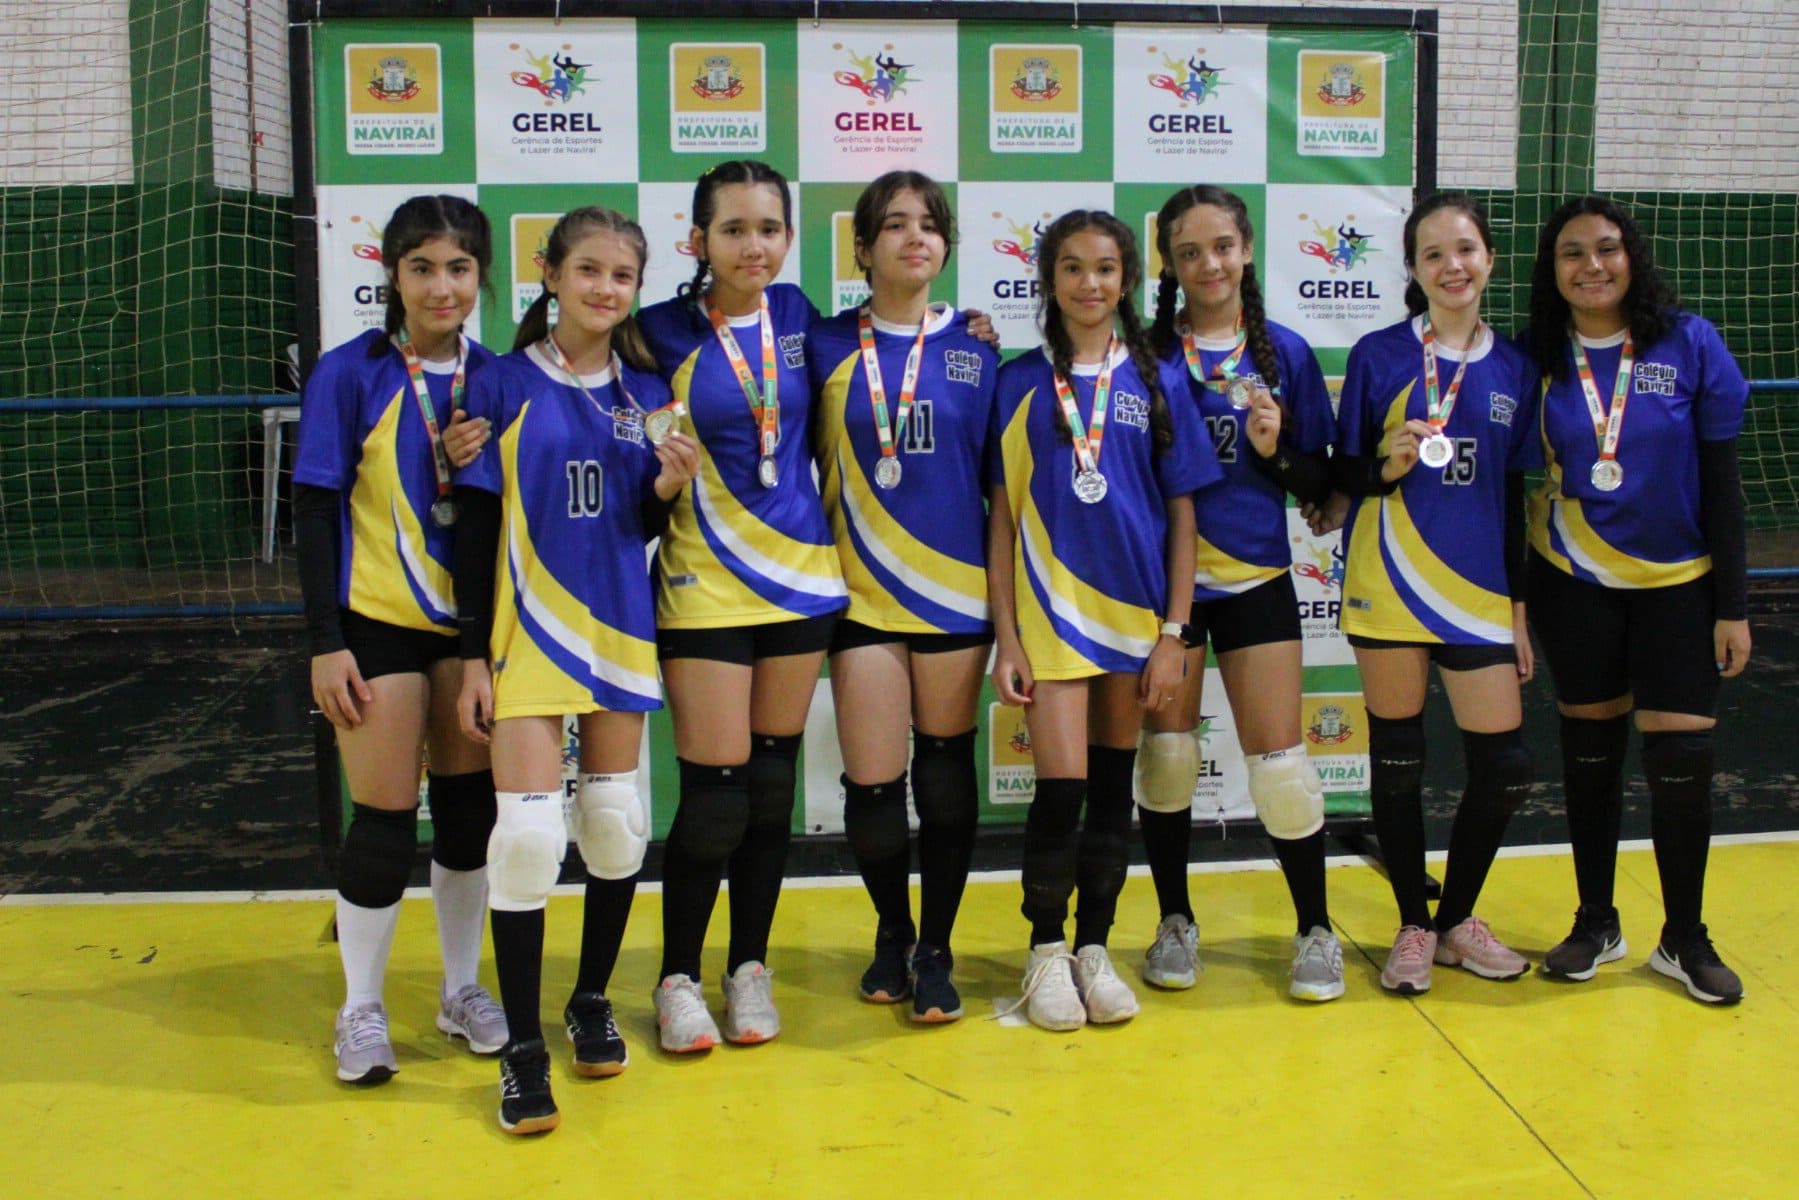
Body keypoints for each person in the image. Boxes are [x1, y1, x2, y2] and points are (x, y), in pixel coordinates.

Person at [452, 207, 700, 1132]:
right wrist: (471, 656)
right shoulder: (500, 380)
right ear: (550, 274)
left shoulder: (648, 394)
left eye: (621, 275)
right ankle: (521, 1052)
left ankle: (589, 1001)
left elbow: (637, 522)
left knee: (613, 829)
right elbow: (475, 527)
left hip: (617, 629)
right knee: (524, 839)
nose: (603, 287)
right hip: (524, 633)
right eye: (587, 269)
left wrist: (665, 487)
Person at [988, 209, 1219, 1031]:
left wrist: (1173, 633)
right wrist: (1006, 638)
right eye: (1073, 268)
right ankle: (1045, 949)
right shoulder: (1017, 382)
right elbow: (1000, 520)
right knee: (1061, 792)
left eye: (1106, 268)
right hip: (1050, 618)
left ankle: (1094, 947)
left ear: (1127, 282)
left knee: (1114, 791)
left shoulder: (1158, 380)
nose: (1090, 283)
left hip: (1135, 621)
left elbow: (1183, 517)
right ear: (1049, 280)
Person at [635, 160, 848, 1052]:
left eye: (768, 228)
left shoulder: (798, 314)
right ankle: (677, 977)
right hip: (703, 585)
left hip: (801, 581)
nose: (751, 245)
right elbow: (570, 361)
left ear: (788, 237)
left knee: (768, 792)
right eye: (732, 229)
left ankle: (748, 966)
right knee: (715, 796)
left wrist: (976, 330)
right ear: (697, 240)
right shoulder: (655, 330)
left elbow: (886, 346)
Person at [294, 195, 506, 1085]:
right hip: (374, 627)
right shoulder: (349, 373)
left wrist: (473, 465)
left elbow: (502, 514)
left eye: (458, 267)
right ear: (391, 274)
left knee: (467, 816)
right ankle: (360, 1007)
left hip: (467, 634)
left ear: (480, 276)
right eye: (421, 267)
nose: (440, 286)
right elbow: (313, 510)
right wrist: (324, 641)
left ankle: (460, 990)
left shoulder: (497, 379)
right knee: (382, 824)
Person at [1523, 195, 1750, 1004]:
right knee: (1589, 756)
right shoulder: (1532, 356)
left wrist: (1733, 605)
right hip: (1571, 580)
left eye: (1607, 248)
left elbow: (1722, 481)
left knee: (1681, 761)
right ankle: (1595, 921)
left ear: (1632, 257)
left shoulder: (1689, 342)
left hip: (1680, 586)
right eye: (1571, 252)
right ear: (1551, 270)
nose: (1591, 265)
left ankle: (1683, 937)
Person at [1136, 185, 1344, 1001]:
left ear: (1246, 249)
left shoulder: (1284, 353)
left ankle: (1315, 929)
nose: (1208, 264)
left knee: (1281, 768)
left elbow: (1319, 485)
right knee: (1166, 761)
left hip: (1257, 580)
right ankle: (1174, 921)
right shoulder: (1143, 356)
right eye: (1188, 252)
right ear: (1169, 263)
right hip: (1168, 594)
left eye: (1221, 246)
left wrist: (1276, 449)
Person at [1330, 192, 1540, 996]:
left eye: (1464, 250)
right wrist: (1382, 464)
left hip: (1478, 591)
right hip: (1387, 582)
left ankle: (1454, 918)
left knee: (1505, 765)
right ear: (1413, 271)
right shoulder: (1379, 355)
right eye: (1431, 255)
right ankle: (1411, 927)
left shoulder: (1516, 367)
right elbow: (1343, 475)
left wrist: (1517, 609)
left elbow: (1513, 493)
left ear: (1488, 259)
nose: (1451, 266)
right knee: (1397, 762)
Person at [808, 171, 1000, 1023]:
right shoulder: (819, 344)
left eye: (928, 224)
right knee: (875, 783)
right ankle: (893, 929)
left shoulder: (978, 349)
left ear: (945, 245)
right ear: (861, 247)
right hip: (859, 594)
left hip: (956, 592)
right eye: (893, 224)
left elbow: (1004, 486)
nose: (913, 237)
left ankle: (937, 948)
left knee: (946, 773)